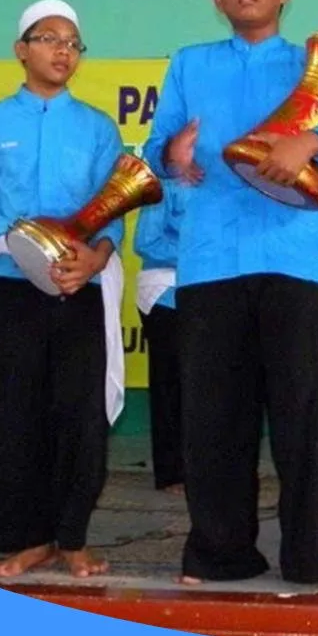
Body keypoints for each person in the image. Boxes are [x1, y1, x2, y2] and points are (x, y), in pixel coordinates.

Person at [141, 0, 318, 589]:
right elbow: (154, 144)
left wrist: (311, 139)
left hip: (294, 259)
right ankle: (219, 553)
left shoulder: (312, 63)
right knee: (213, 417)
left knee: (310, 414)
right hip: (210, 260)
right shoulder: (189, 64)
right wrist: (174, 155)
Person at [0, 0, 124, 579]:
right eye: (48, 38)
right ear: (22, 50)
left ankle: (72, 538)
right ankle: (26, 539)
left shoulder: (97, 127)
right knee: (16, 417)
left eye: (72, 42)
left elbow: (110, 213)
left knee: (79, 415)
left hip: (78, 285)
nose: (63, 49)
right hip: (14, 287)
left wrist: (93, 260)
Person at [134, 181, 188, 494]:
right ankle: (171, 473)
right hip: (165, 292)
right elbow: (146, 241)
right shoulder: (166, 184)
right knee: (171, 382)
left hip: (202, 290)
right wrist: (196, 253)